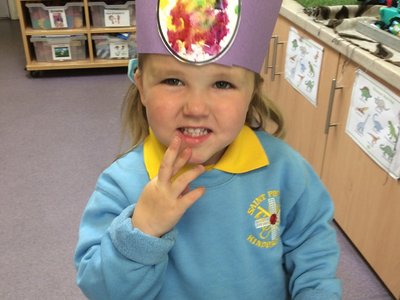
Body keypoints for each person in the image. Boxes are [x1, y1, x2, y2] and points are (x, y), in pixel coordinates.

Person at [74, 0, 342, 299]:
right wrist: (143, 230)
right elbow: (102, 290)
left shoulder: (284, 170)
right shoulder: (122, 184)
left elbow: (313, 256)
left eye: (223, 84)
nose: (196, 108)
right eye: (173, 80)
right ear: (141, 86)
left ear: (252, 90)